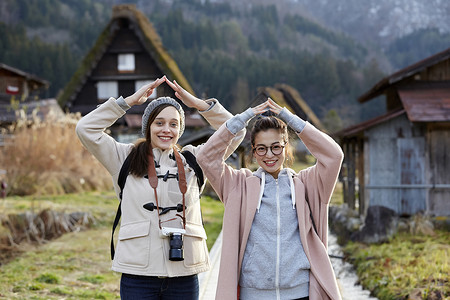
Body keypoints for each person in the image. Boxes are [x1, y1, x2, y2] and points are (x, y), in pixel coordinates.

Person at [75, 76, 245, 300]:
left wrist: (200, 105)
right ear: (148, 127)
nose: (167, 130)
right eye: (160, 123)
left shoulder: (195, 159)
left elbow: (237, 131)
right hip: (138, 274)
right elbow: (85, 128)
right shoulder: (123, 157)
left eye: (174, 124)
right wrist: (126, 103)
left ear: (180, 129)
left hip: (184, 274)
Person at [197, 98, 344, 300]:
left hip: (300, 293)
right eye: (261, 148)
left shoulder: (307, 184)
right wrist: (242, 118)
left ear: (286, 147)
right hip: (253, 294)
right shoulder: (237, 185)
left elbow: (334, 155)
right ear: (254, 152)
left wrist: (290, 119)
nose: (269, 155)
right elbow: (206, 157)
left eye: (276, 147)